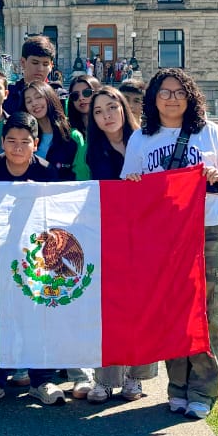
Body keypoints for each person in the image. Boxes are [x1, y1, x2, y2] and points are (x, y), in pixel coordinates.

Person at [121, 68, 218, 420]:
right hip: (165, 236)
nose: (172, 99)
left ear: (189, 97)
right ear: (153, 98)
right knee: (173, 311)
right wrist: (132, 181)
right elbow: (129, 185)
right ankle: (178, 386)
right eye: (164, 92)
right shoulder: (142, 139)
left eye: (179, 92)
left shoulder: (208, 133)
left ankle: (203, 389)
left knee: (209, 312)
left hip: (208, 229)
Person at [0, 112, 63, 407]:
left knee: (40, 316)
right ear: (2, 142)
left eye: (25, 142)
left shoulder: (47, 172)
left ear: (36, 144)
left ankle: (42, 379)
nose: (18, 148)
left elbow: (58, 217)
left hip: (36, 258)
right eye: (11, 141)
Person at [81, 86, 153, 403]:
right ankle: (106, 377)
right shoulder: (93, 152)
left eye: (112, 107)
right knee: (108, 308)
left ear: (123, 108)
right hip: (108, 237)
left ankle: (136, 378)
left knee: (143, 307)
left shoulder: (146, 142)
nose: (106, 116)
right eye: (98, 111)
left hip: (147, 235)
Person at [22, 81, 89, 180]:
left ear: (49, 98)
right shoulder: (24, 138)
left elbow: (81, 176)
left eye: (38, 97)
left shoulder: (73, 137)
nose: (34, 103)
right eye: (29, 101)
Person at [6, 35, 64, 114]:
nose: (40, 69)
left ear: (51, 66)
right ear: (23, 62)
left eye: (45, 64)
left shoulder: (59, 96)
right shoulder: (7, 96)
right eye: (35, 63)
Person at [65, 75, 102, 139]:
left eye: (87, 92)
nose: (81, 98)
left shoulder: (110, 126)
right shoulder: (65, 131)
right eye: (75, 95)